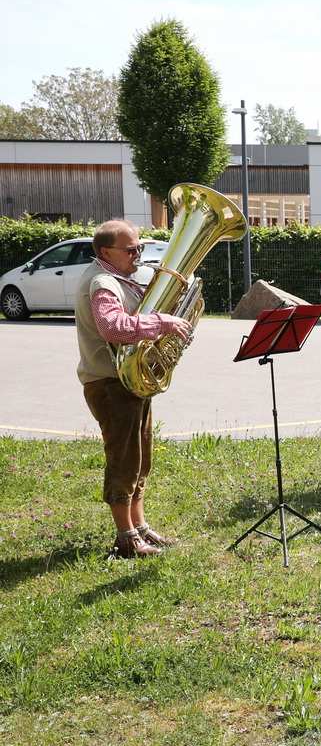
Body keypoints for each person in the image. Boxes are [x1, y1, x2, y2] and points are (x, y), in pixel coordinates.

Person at [74, 219, 193, 559]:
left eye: (139, 247)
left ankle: (139, 526)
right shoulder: (101, 282)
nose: (138, 254)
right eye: (131, 249)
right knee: (123, 460)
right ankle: (126, 537)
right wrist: (162, 323)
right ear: (105, 252)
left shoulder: (119, 278)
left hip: (128, 380)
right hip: (110, 384)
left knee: (140, 458)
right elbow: (113, 327)